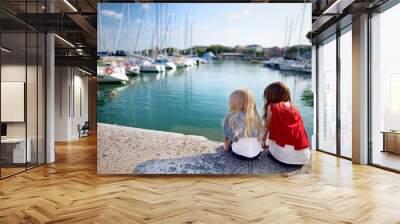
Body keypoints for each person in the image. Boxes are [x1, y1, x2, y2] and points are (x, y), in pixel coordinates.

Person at [262, 82, 311, 165]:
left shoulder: (272, 106)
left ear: (271, 96)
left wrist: (262, 141)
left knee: (268, 131)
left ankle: (276, 153)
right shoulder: (293, 108)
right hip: (304, 157)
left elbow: (266, 127)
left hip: (283, 158)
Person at [223, 88, 264, 160]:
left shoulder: (231, 118)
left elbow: (229, 139)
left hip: (238, 154)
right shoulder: (257, 117)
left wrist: (226, 148)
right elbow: (260, 138)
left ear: (233, 102)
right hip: (256, 154)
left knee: (229, 139)